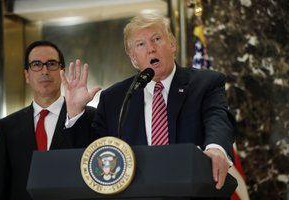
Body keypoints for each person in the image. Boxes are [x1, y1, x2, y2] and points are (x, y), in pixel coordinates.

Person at [61, 13, 236, 195]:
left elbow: (218, 119)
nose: (151, 49)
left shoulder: (205, 83)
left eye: (157, 39)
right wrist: (74, 112)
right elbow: (95, 154)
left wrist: (216, 149)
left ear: (172, 44)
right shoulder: (114, 98)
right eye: (141, 44)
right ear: (133, 58)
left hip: (193, 193)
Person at [0, 40, 100, 200]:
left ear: (62, 71)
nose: (44, 71)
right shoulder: (8, 127)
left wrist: (76, 113)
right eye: (36, 64)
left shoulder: (90, 117)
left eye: (51, 64)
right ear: (27, 75)